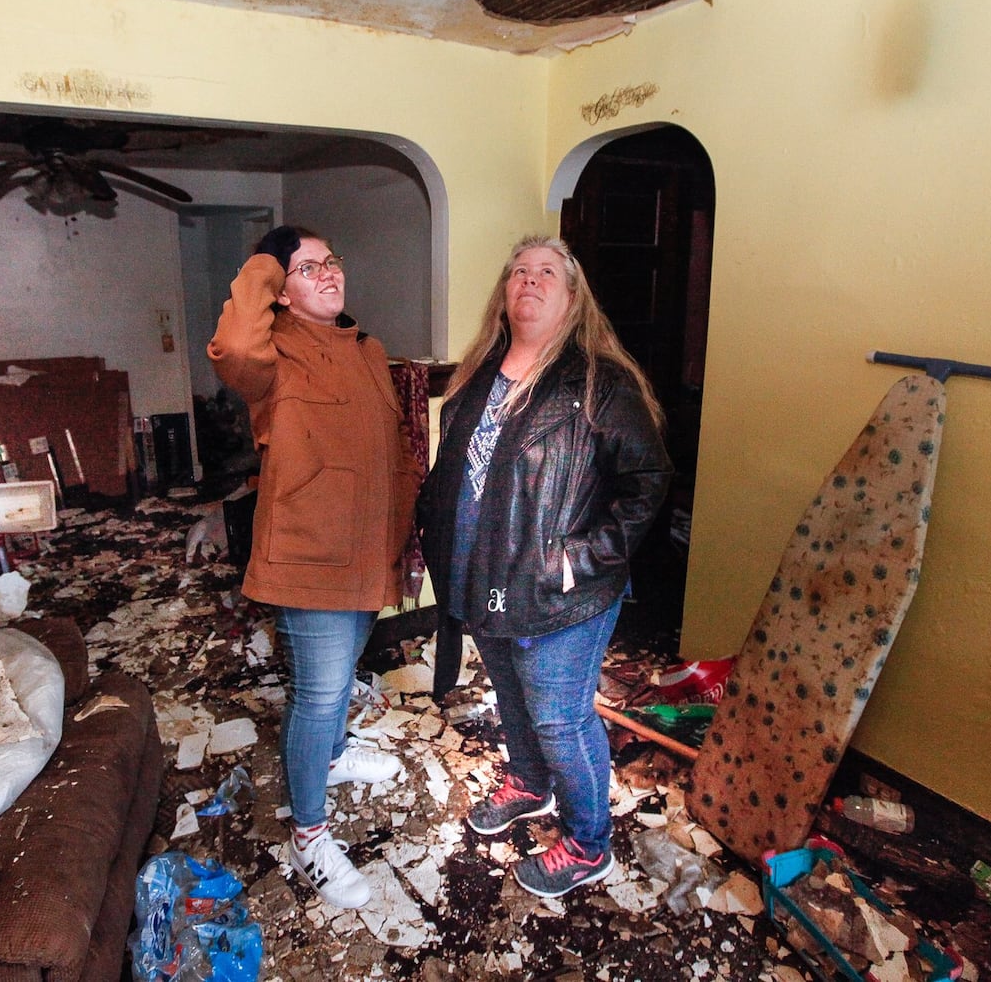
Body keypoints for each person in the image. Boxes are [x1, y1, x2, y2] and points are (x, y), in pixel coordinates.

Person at [417, 234, 671, 898]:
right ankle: (529, 785)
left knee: (559, 714)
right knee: (511, 694)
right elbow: (457, 477)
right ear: (505, 294)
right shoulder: (480, 375)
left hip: (564, 590)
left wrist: (579, 559)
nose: (530, 280)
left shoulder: (598, 383)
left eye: (547, 272)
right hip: (485, 581)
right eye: (520, 271)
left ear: (571, 296)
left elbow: (648, 482)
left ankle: (590, 844)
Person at [207, 225, 421, 910]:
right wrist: (268, 258)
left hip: (367, 552)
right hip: (309, 555)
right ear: (280, 289)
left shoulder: (367, 349)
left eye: (332, 262)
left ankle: (332, 757)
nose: (328, 274)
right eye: (306, 268)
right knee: (320, 695)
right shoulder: (273, 353)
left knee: (342, 674)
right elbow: (234, 343)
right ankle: (309, 836)